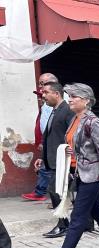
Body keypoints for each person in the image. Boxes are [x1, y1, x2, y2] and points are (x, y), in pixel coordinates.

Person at [39, 83, 99, 248]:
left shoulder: (93, 122)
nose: (70, 98)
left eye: (74, 96)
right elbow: (78, 143)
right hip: (80, 173)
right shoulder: (76, 118)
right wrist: (70, 150)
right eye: (70, 95)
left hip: (93, 175)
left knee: (77, 216)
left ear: (86, 100)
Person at [37, 81, 75, 238]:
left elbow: (72, 135)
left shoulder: (67, 110)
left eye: (46, 92)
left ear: (57, 94)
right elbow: (49, 137)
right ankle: (84, 223)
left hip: (64, 159)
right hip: (53, 159)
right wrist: (42, 158)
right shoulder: (53, 111)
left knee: (55, 190)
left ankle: (63, 225)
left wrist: (72, 157)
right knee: (62, 191)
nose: (43, 96)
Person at [22, 73, 59, 202]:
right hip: (47, 141)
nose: (40, 88)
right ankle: (45, 194)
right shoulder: (46, 104)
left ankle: (53, 197)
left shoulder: (62, 105)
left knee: (53, 169)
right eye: (40, 84)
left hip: (55, 143)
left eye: (42, 84)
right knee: (46, 167)